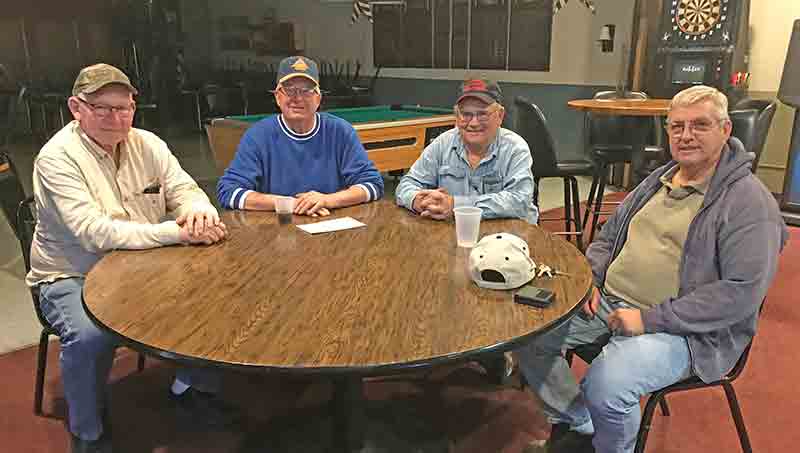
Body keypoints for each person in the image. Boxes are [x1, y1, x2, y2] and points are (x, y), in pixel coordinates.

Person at [515, 85, 788, 453]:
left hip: (688, 331)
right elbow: (607, 238)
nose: (686, 135)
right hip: (609, 303)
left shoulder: (748, 203)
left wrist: (648, 319)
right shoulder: (657, 180)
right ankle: (582, 425)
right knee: (529, 333)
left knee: (608, 383)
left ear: (726, 131)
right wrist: (590, 280)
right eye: (677, 127)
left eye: (700, 125)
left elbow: (740, 293)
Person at [27, 63, 233, 453]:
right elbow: (93, 232)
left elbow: (184, 189)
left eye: (123, 108)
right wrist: (176, 232)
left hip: (142, 263)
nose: (114, 118)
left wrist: (198, 211)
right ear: (76, 107)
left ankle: (192, 387)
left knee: (217, 293)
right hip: (71, 275)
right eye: (101, 108)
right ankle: (87, 434)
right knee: (90, 336)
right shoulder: (56, 158)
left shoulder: (148, 144)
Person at [216, 56, 383, 215]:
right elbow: (228, 191)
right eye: (289, 90)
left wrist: (328, 200)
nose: (297, 98)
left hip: (331, 226)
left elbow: (373, 185)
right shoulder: (258, 135)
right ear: (277, 97)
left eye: (306, 91)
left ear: (318, 98)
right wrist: (286, 203)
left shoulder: (340, 131)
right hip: (276, 230)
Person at [395, 78, 536, 224]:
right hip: (456, 234)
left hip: (510, 236)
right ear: (456, 116)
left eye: (482, 114)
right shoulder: (442, 143)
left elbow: (519, 200)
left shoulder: (515, 148)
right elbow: (406, 184)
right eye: (466, 114)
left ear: (500, 115)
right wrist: (418, 200)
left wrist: (456, 205)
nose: (473, 123)